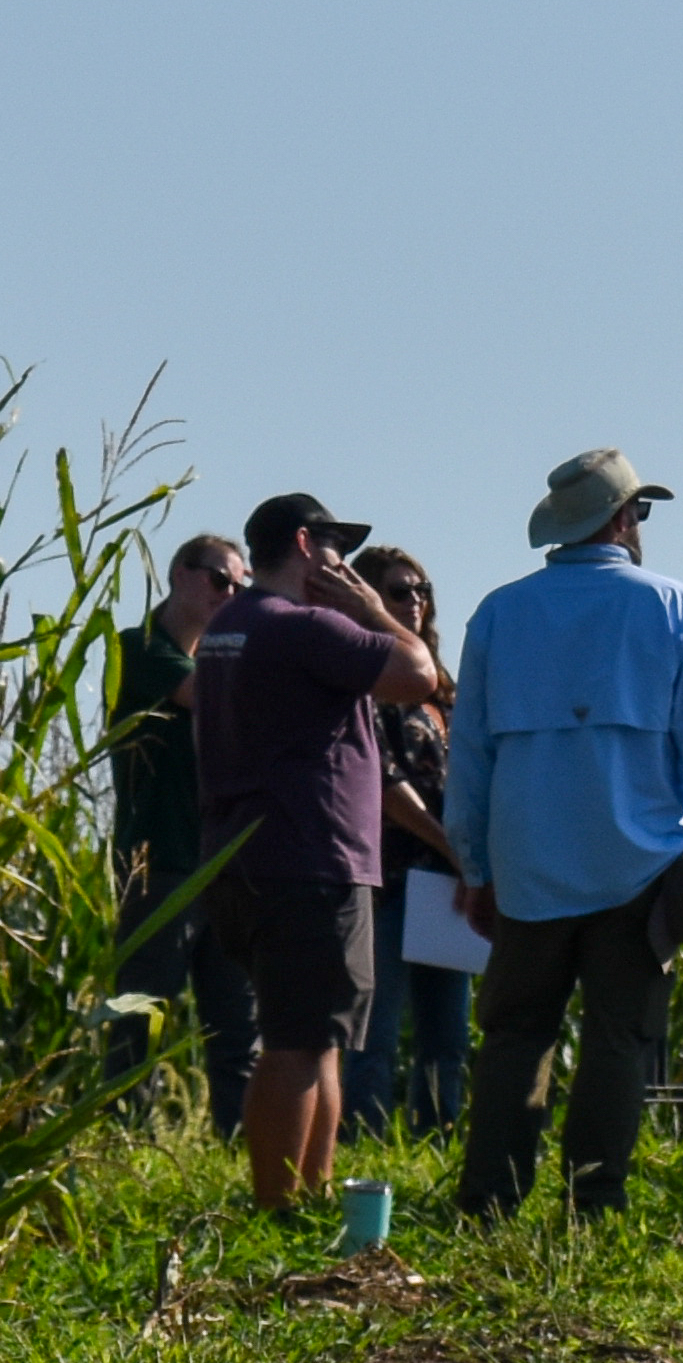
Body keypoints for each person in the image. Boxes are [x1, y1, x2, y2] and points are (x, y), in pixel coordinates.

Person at [447, 447, 683, 1223]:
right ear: (621, 519)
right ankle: (595, 1203)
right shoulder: (673, 606)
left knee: (515, 1036)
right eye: (639, 512)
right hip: (636, 865)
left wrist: (474, 866)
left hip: (527, 866)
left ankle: (489, 1202)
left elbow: (469, 754)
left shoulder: (499, 612)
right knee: (620, 1038)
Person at [190, 491, 454, 1222]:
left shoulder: (229, 626)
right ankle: (276, 1207)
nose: (345, 568)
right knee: (295, 1043)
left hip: (250, 856)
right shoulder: (298, 628)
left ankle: (309, 1197)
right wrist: (370, 605)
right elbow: (417, 674)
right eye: (338, 551)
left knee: (321, 1040)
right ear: (307, 546)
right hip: (309, 858)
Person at [109, 530, 258, 1128]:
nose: (232, 594)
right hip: (161, 860)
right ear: (179, 575)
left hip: (221, 865)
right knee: (140, 1013)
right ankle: (122, 1137)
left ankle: (239, 1146)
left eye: (242, 586)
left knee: (237, 1023)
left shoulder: (219, 657)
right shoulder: (138, 647)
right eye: (222, 580)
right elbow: (204, 694)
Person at [353, 544, 473, 1138]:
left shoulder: (443, 691)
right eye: (399, 591)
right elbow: (383, 785)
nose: (415, 600)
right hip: (392, 877)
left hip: (449, 881)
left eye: (421, 589)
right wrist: (450, 846)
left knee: (447, 1035)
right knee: (373, 1033)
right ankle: (364, 1144)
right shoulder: (370, 683)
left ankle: (438, 1139)